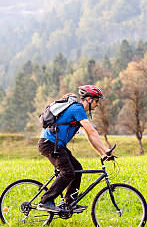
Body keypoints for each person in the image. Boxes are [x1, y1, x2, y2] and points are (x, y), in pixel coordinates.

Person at [37, 85, 114, 213]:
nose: (98, 104)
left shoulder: (78, 111)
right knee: (67, 172)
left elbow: (90, 136)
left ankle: (69, 202)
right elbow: (91, 131)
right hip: (49, 144)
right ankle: (45, 201)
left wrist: (102, 153)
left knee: (77, 168)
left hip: (57, 145)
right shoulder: (77, 109)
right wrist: (106, 149)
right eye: (96, 100)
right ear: (89, 99)